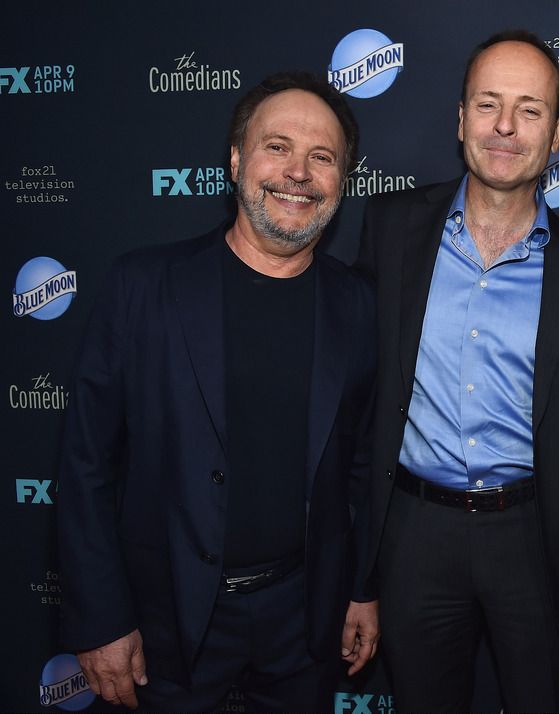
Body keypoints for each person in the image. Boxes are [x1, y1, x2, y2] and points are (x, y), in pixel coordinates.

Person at [57, 71, 378, 713]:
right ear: (236, 160)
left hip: (303, 623)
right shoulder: (142, 288)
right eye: (277, 147)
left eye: (322, 157)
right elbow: (85, 467)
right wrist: (101, 619)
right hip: (164, 624)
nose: (298, 172)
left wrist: (360, 588)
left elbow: (363, 467)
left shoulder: (359, 305)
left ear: (343, 180)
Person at [357, 29, 559, 712]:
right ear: (461, 118)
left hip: (532, 537)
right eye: (488, 105)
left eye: (529, 110)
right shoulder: (388, 229)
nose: (506, 126)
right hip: (413, 532)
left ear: (557, 133)